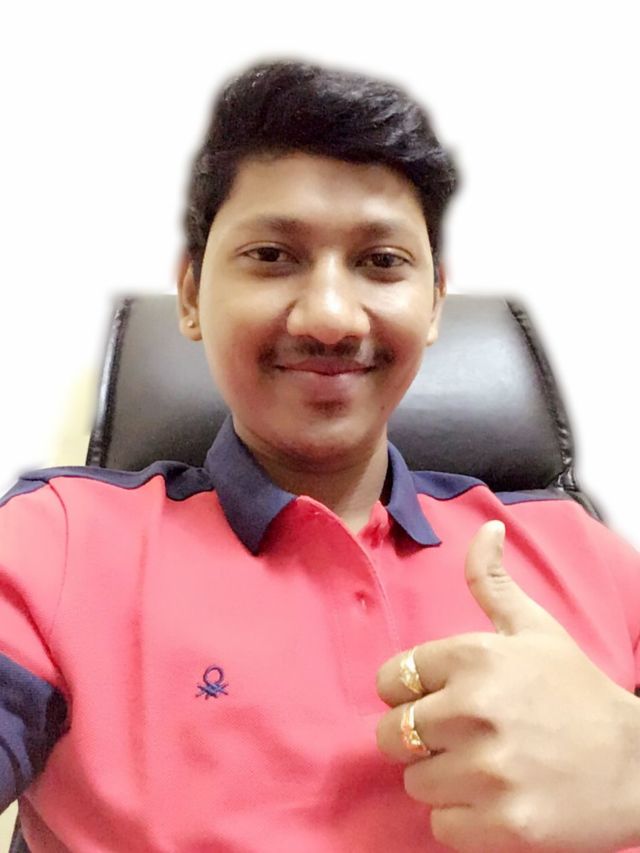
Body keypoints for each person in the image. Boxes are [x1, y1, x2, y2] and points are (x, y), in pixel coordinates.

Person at [1, 59, 640, 853]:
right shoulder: (58, 543)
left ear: (434, 303)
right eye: (273, 255)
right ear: (192, 295)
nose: (332, 316)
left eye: (381, 261)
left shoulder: (579, 550)